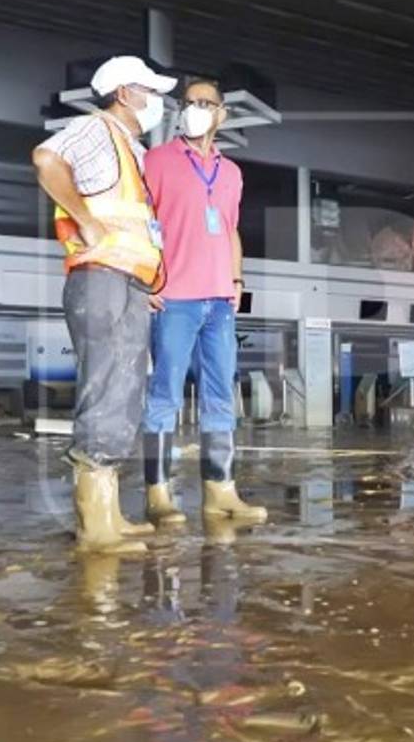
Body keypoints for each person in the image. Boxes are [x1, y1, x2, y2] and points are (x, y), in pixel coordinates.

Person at [31, 55, 176, 554]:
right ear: (125, 93)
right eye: (150, 91)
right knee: (106, 386)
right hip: (100, 278)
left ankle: (110, 513)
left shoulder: (131, 149)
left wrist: (146, 280)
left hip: (127, 282)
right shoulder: (97, 129)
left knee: (125, 388)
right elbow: (46, 160)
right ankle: (95, 524)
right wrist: (85, 222)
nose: (157, 102)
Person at [140, 77, 268, 528]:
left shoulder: (231, 173)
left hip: (220, 300)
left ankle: (220, 491)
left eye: (205, 103)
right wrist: (147, 281)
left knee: (220, 395)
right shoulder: (157, 160)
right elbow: (140, 222)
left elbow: (230, 229)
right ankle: (158, 493)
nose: (195, 109)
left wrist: (236, 280)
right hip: (174, 297)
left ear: (221, 114)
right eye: (189, 102)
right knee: (165, 394)